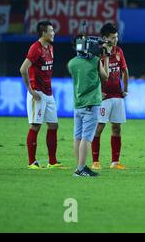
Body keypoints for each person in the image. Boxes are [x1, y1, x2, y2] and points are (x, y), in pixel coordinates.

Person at [19, 21, 64, 169]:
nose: (54, 33)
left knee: (53, 125)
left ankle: (52, 162)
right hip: (37, 92)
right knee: (35, 126)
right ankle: (32, 162)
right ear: (44, 33)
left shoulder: (50, 47)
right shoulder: (35, 48)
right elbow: (23, 69)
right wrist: (30, 90)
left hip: (48, 93)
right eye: (51, 31)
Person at [68, 35, 110, 177]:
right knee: (86, 138)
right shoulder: (95, 61)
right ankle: (81, 169)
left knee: (77, 136)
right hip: (91, 104)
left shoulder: (72, 63)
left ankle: (79, 166)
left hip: (78, 104)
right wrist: (106, 57)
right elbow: (105, 77)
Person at [91, 23, 129, 170]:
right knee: (99, 127)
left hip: (117, 95)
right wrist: (97, 91)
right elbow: (92, 74)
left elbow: (125, 70)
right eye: (113, 37)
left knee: (117, 128)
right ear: (105, 38)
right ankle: (95, 161)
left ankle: (115, 162)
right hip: (103, 97)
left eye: (117, 37)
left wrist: (125, 89)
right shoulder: (97, 52)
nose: (116, 40)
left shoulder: (119, 51)